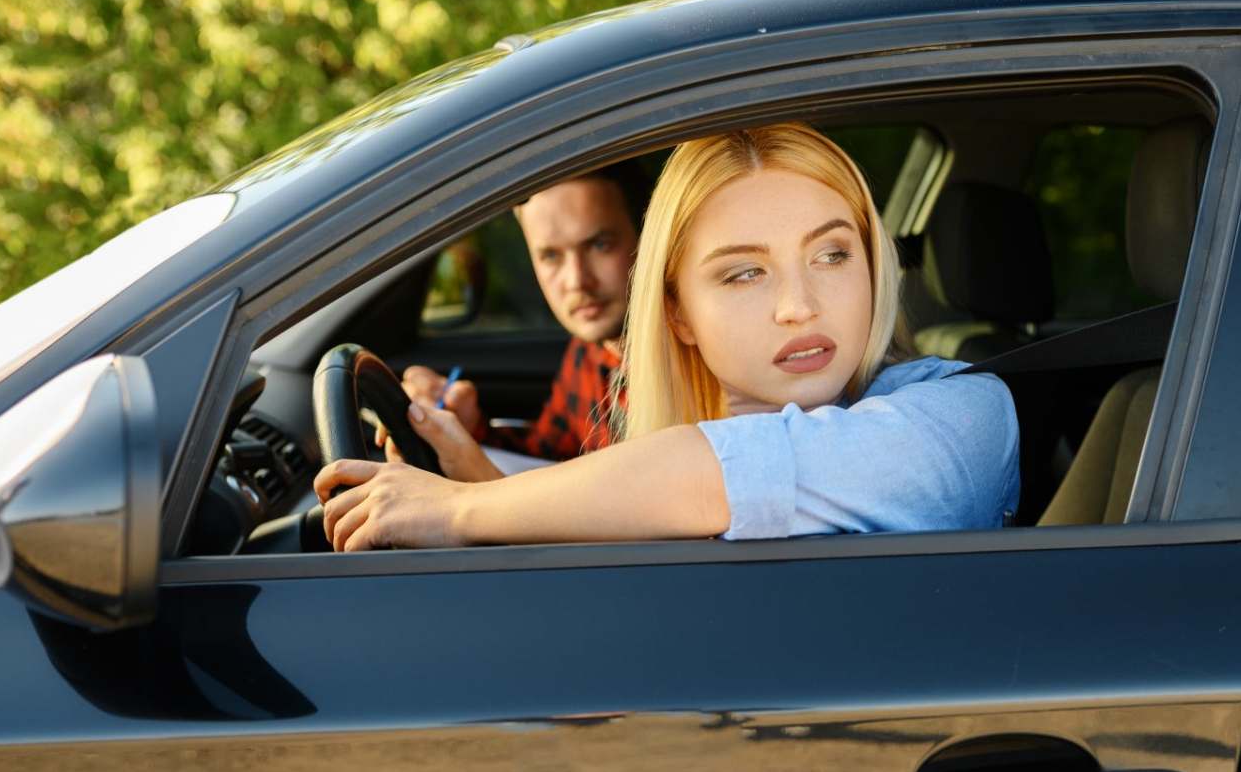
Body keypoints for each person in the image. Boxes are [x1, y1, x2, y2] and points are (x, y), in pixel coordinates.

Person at [315, 123, 1018, 549]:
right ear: (676, 311)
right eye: (745, 274)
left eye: (832, 254)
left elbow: (726, 475)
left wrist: (463, 511)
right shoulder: (679, 449)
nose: (799, 306)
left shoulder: (964, 413)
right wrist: (479, 478)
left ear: (874, 264)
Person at [397, 161, 649, 477]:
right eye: (551, 256)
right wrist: (467, 429)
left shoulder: (691, 361)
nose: (577, 281)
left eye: (599, 245)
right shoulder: (588, 351)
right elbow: (546, 456)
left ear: (646, 238)